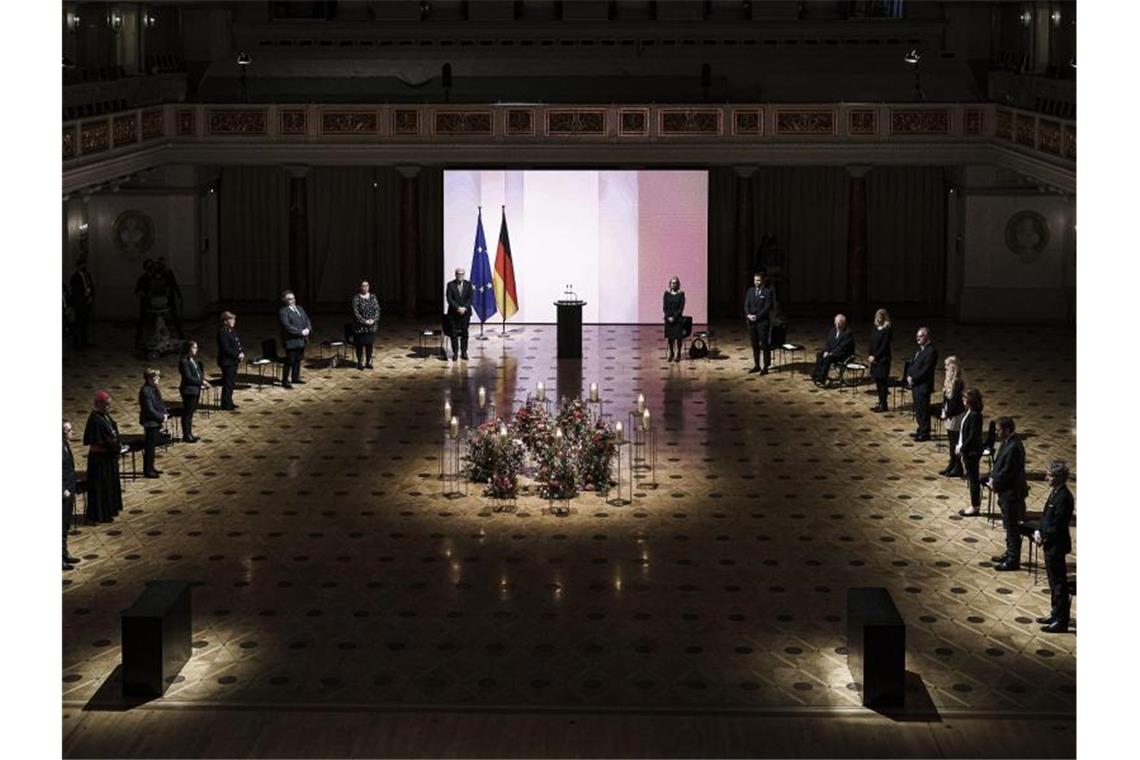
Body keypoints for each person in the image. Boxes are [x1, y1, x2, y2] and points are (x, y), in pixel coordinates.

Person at [1035, 460, 1075, 633]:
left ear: (1058, 478)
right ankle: (1055, 613)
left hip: (1056, 545)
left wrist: (1044, 536)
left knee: (1059, 584)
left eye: (1049, 475)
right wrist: (1038, 530)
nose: (1046, 478)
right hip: (1049, 543)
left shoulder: (1064, 497)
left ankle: (1061, 620)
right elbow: (1046, 516)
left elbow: (1057, 524)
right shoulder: (1055, 493)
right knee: (1053, 582)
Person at [986, 416, 1028, 571]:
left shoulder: (1014, 447)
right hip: (1005, 492)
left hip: (1011, 493)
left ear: (1007, 430)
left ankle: (1013, 559)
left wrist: (995, 482)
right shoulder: (1006, 443)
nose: (996, 433)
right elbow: (999, 465)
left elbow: (1008, 471)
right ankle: (1009, 552)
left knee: (1012, 527)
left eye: (998, 430)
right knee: (1007, 524)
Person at [83, 391, 122, 523]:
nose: (108, 407)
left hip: (107, 458)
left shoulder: (104, 416)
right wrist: (114, 446)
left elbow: (112, 432)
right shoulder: (95, 419)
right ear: (99, 404)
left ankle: (108, 511)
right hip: (99, 460)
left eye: (109, 404)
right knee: (100, 488)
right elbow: (101, 440)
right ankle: (99, 515)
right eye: (106, 404)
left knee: (108, 486)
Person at [956, 388, 985, 517]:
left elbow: (972, 436)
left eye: (964, 398)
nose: (962, 400)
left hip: (971, 452)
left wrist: (963, 449)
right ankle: (974, 504)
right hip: (968, 450)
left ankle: (975, 506)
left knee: (973, 479)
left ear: (970, 400)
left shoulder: (975, 415)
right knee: (971, 477)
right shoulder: (970, 412)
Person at [907, 326, 938, 441]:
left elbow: (926, 370)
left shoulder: (931, 351)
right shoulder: (920, 349)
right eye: (917, 336)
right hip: (916, 385)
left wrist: (913, 378)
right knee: (918, 409)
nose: (917, 339)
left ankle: (925, 433)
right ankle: (920, 429)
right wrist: (909, 376)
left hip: (923, 386)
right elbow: (913, 364)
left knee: (924, 410)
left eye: (920, 336)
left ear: (927, 336)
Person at [278, 290, 312, 388]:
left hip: (301, 340)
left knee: (298, 360)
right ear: (284, 300)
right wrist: (300, 332)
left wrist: (308, 328)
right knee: (290, 361)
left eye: (293, 298)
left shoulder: (299, 308)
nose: (292, 301)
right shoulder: (283, 311)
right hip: (291, 341)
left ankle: (295, 378)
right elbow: (287, 326)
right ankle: (285, 381)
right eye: (289, 299)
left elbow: (307, 319)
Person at [138, 368, 168, 478]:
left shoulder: (154, 388)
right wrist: (161, 417)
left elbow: (160, 403)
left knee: (152, 446)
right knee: (149, 447)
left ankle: (151, 467)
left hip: (155, 421)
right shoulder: (145, 390)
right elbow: (149, 410)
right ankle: (148, 470)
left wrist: (164, 413)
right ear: (149, 378)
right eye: (156, 377)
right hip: (150, 422)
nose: (158, 378)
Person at [939, 356, 966, 476]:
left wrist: (947, 413)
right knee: (951, 441)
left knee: (955, 442)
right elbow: (946, 399)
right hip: (949, 414)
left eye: (947, 366)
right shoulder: (949, 380)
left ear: (953, 368)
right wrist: (943, 410)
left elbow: (955, 402)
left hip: (956, 415)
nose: (945, 368)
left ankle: (958, 466)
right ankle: (952, 463)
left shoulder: (958, 382)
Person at [178, 340, 210, 442]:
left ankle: (189, 433)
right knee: (187, 413)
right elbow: (188, 377)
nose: (196, 349)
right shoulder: (184, 361)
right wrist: (202, 382)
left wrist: (202, 381)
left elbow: (198, 373)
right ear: (188, 349)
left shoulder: (193, 360)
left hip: (195, 389)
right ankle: (186, 435)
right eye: (194, 347)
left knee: (191, 413)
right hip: (188, 390)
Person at [744, 271, 775, 374]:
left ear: (763, 280)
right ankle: (757, 365)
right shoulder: (750, 291)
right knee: (754, 344)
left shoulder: (767, 292)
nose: (756, 282)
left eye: (758, 280)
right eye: (755, 280)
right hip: (751, 323)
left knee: (764, 345)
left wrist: (756, 317)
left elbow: (767, 307)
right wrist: (748, 315)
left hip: (762, 322)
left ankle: (766, 366)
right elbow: (746, 305)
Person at [811, 314, 854, 386]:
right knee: (819, 355)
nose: (836, 324)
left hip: (842, 354)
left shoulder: (847, 333)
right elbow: (828, 343)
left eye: (838, 322)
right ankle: (817, 374)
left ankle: (822, 378)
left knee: (828, 358)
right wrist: (826, 351)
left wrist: (831, 353)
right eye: (836, 322)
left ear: (843, 323)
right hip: (832, 352)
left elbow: (842, 347)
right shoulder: (833, 330)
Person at [62, 420, 81, 570]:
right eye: (67, 430)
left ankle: (64, 554)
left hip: (69, 488)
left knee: (66, 524)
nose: (70, 432)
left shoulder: (65, 445)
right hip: (63, 492)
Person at [217, 311, 244, 410]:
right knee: (228, 383)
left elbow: (237, 343)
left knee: (231, 383)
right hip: (227, 362)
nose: (234, 321)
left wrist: (241, 352)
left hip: (233, 361)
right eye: (231, 319)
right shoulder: (222, 332)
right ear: (225, 321)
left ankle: (229, 401)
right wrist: (237, 355)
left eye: (234, 319)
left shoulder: (232, 330)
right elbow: (225, 348)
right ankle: (225, 404)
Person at [867, 308, 893, 412]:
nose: (878, 319)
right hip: (874, 359)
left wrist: (875, 357)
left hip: (883, 360)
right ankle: (880, 402)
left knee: (883, 383)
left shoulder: (887, 330)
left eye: (880, 317)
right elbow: (871, 342)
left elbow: (884, 346)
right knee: (877, 382)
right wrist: (870, 355)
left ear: (884, 318)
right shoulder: (875, 328)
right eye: (877, 316)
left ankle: (884, 404)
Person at [351, 279, 380, 370]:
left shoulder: (373, 297)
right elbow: (356, 313)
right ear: (360, 287)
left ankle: (368, 362)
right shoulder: (356, 298)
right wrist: (364, 321)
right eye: (363, 286)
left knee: (369, 344)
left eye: (367, 286)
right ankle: (360, 362)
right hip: (360, 327)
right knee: (360, 345)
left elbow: (377, 309)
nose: (365, 288)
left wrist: (373, 320)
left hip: (371, 326)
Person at [445, 267, 473, 361]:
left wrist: (464, 308)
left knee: (465, 333)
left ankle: (464, 352)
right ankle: (455, 353)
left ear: (464, 275)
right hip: (453, 314)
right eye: (458, 274)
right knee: (454, 334)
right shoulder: (450, 285)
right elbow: (449, 299)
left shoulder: (468, 284)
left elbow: (470, 298)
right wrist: (458, 308)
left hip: (465, 313)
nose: (460, 276)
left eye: (462, 274)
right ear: (455, 275)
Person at [69, 255, 95, 350]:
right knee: (78, 323)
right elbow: (76, 291)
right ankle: (76, 344)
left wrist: (90, 295)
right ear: (78, 266)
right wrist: (84, 296)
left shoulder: (87, 275)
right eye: (82, 264)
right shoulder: (74, 277)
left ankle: (84, 341)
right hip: (79, 303)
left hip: (87, 302)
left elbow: (91, 285)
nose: (84, 266)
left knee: (85, 323)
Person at [156, 257, 184, 339]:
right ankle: (164, 334)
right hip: (162, 297)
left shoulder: (168, 272)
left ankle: (179, 333)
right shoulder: (158, 273)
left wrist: (178, 294)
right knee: (162, 317)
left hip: (169, 297)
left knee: (174, 315)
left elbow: (173, 283)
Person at [663, 275, 686, 363]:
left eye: (675, 283)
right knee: (670, 338)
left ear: (678, 284)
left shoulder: (681, 294)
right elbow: (664, 307)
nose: (674, 284)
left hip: (677, 319)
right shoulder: (666, 293)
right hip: (668, 319)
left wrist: (674, 317)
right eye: (672, 283)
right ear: (670, 284)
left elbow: (681, 308)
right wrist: (668, 317)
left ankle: (678, 353)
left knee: (678, 337)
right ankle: (672, 353)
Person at [133, 260, 154, 347]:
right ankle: (139, 341)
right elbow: (137, 292)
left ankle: (151, 340)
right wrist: (145, 294)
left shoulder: (155, 278)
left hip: (155, 304)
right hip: (146, 304)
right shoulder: (142, 279)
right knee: (142, 323)